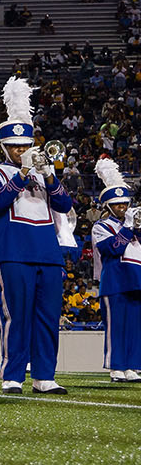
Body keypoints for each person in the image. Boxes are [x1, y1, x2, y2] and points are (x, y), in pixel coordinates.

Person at [0, 77, 74, 395]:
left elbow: (64, 203)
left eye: (25, 146)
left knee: (48, 318)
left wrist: (48, 174)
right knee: (16, 316)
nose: (21, 151)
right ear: (3, 147)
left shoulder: (43, 172)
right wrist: (21, 174)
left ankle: (45, 376)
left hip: (47, 251)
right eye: (15, 146)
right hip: (13, 251)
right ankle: (13, 376)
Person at [91, 158, 141, 383]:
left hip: (136, 280)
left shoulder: (134, 226)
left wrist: (135, 227)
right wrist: (129, 227)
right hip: (115, 282)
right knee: (116, 327)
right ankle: (116, 367)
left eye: (125, 204)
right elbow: (112, 249)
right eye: (118, 205)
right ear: (109, 206)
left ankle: (132, 365)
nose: (123, 208)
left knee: (134, 326)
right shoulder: (100, 226)